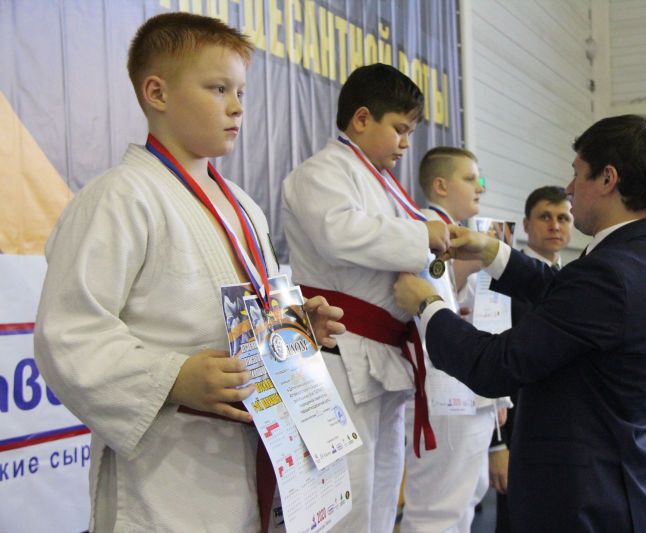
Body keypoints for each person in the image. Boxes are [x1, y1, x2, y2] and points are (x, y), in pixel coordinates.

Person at [33, 13, 343, 532]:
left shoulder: (243, 206)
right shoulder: (118, 197)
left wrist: (295, 328)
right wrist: (172, 378)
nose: (237, 106)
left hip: (256, 447)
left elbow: (251, 313)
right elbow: (69, 334)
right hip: (168, 465)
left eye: (241, 91)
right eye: (218, 88)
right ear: (157, 92)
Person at [394, 114, 646, 532]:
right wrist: (492, 251)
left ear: (608, 179)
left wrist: (428, 306)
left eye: (577, 174)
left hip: (586, 501)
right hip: (624, 483)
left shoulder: (611, 273)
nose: (569, 188)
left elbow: (496, 365)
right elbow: (563, 291)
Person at [281, 63, 449, 532]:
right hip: (337, 347)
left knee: (381, 492)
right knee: (345, 495)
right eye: (399, 129)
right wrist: (423, 235)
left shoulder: (381, 182)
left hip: (382, 353)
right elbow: (339, 234)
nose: (405, 143)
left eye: (410, 131)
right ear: (360, 119)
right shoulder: (320, 172)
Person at [399, 146, 495, 533]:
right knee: (440, 508)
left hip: (465, 382)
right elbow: (428, 313)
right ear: (440, 185)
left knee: (468, 494)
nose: (480, 188)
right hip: (443, 385)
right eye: (470, 179)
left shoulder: (458, 238)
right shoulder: (422, 230)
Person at [488, 185, 572, 533]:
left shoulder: (577, 283)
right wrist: (497, 443)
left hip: (567, 435)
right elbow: (492, 362)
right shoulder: (501, 284)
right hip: (518, 431)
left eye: (563, 218)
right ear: (525, 224)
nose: (555, 225)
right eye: (545, 217)